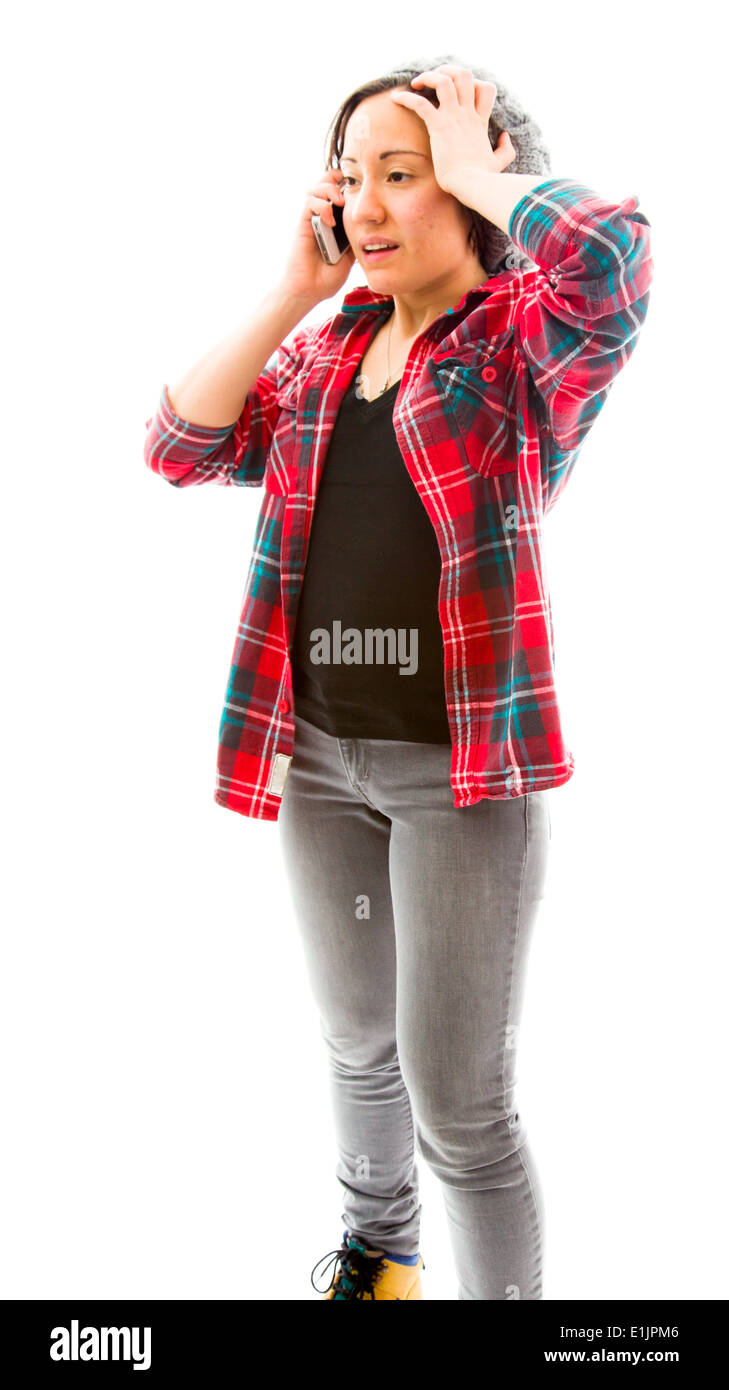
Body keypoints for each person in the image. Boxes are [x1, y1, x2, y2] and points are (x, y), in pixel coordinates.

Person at [143, 54, 653, 1299]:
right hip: (317, 750)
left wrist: (493, 172)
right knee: (358, 1045)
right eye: (352, 175)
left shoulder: (522, 351)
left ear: (476, 190)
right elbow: (178, 445)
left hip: (460, 774)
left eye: (403, 176)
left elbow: (614, 261)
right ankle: (382, 1262)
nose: (365, 206)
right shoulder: (330, 351)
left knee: (463, 1106)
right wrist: (289, 291)